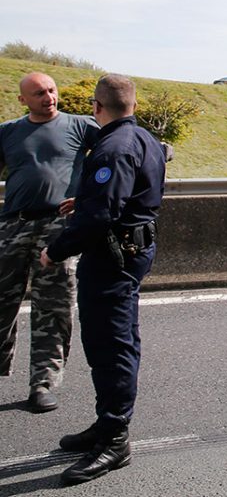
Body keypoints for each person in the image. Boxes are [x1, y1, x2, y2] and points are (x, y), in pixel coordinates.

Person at [41, 74, 166, 485]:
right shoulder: (143, 139)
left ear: (96, 107)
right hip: (132, 250)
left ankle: (114, 440)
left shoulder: (112, 147)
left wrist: (55, 250)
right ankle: (106, 423)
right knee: (113, 340)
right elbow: (130, 192)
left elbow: (100, 217)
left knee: (110, 345)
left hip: (113, 258)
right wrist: (91, 198)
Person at [0, 72, 98, 413]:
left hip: (58, 228)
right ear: (23, 99)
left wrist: (88, 196)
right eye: (39, 93)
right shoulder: (9, 132)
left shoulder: (80, 126)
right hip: (13, 225)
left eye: (52, 90)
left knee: (53, 307)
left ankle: (42, 383)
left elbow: (121, 146)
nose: (49, 97)